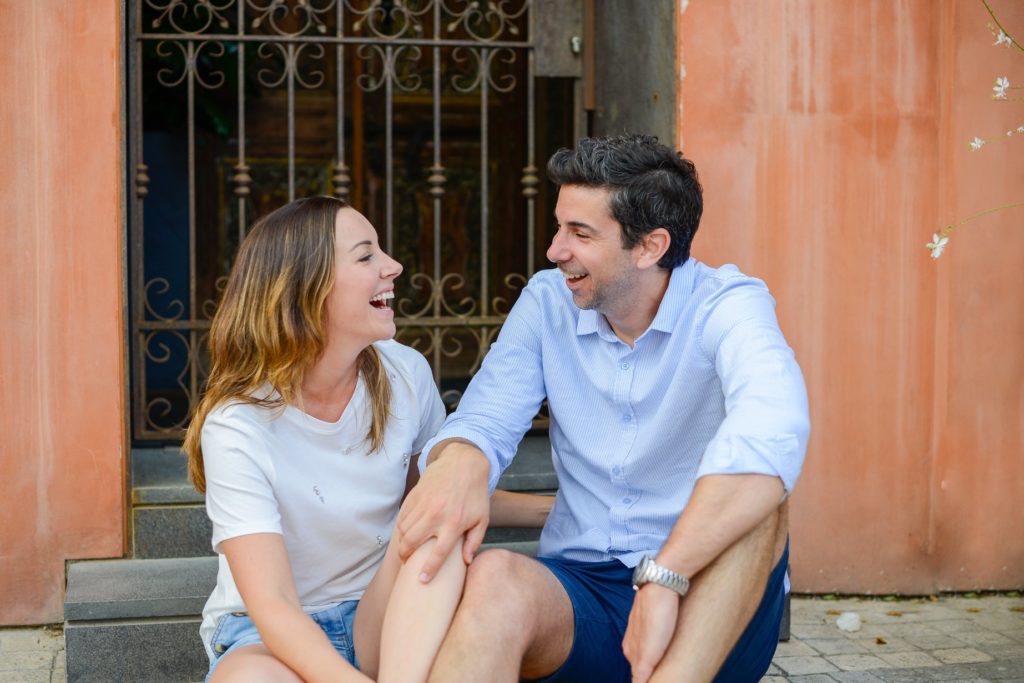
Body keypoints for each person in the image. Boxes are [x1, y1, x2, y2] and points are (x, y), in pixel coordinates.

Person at [397, 134, 811, 683]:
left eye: (580, 233)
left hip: (706, 602)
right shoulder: (548, 300)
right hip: (583, 591)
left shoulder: (728, 306)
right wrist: (462, 461)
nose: (554, 250)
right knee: (494, 575)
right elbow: (484, 417)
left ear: (650, 247)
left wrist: (666, 575)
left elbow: (773, 431)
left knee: (763, 498)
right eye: (559, 226)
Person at [182, 196, 551, 683]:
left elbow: (445, 497)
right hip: (269, 635)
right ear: (304, 288)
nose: (393, 266)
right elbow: (273, 607)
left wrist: (561, 511)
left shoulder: (404, 371)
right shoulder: (237, 424)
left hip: (385, 619)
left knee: (438, 520)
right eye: (366, 256)